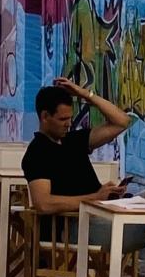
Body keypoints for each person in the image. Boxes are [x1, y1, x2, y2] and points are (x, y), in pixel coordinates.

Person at [20, 78, 132, 223]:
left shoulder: (74, 140)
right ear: (45, 117)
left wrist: (85, 94)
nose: (68, 124)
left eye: (70, 118)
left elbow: (122, 122)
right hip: (74, 225)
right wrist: (95, 198)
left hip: (98, 214)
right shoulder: (37, 153)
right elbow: (44, 204)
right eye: (62, 119)